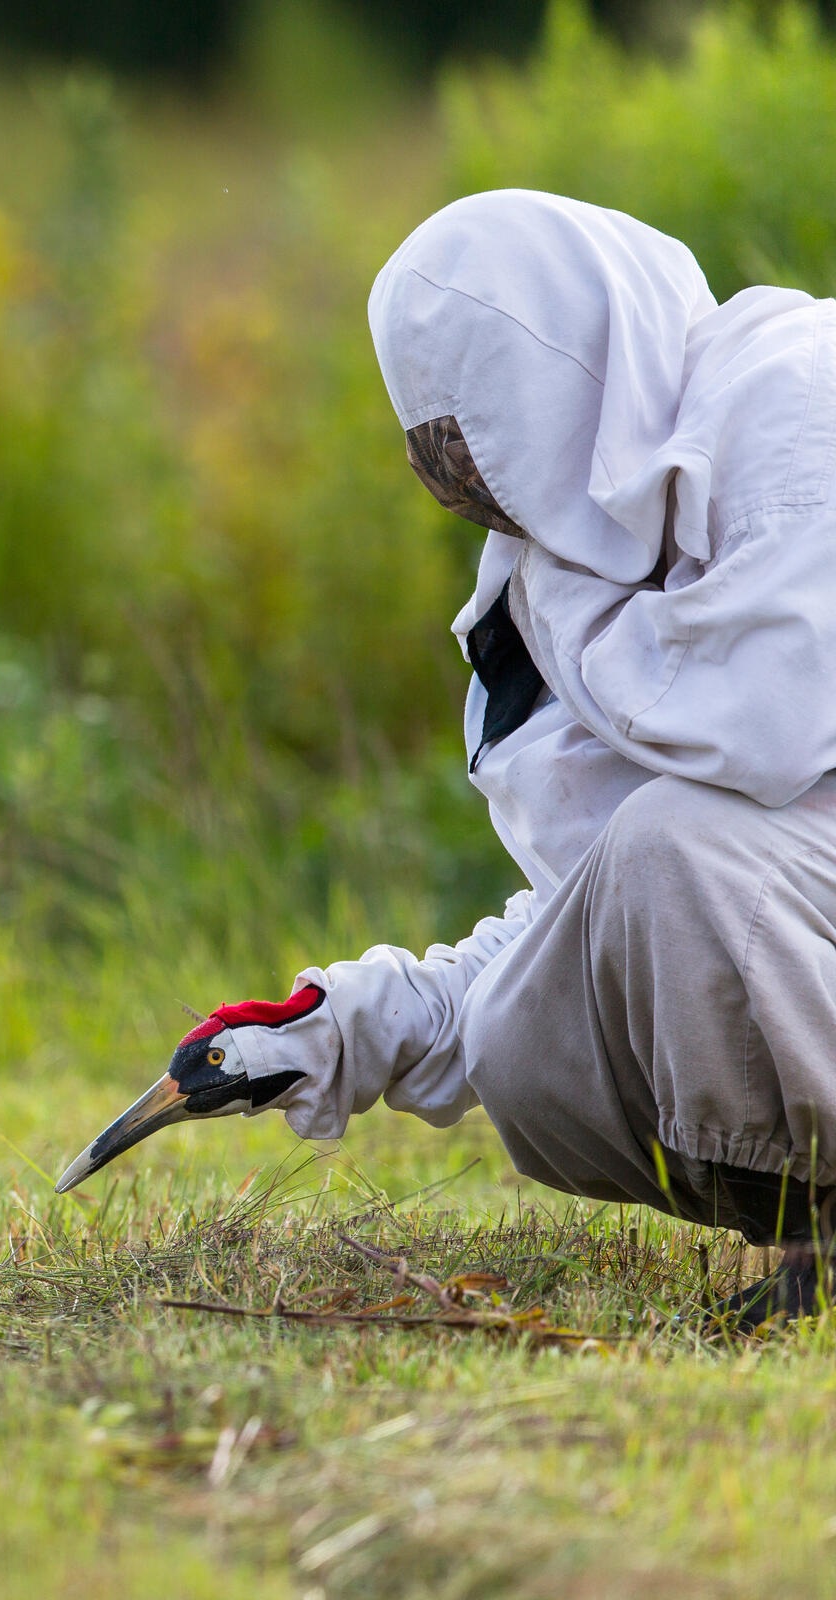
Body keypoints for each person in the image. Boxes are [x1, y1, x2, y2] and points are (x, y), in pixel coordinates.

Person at [68, 188, 836, 1328]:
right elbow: (599, 909)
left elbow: (759, 735)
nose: (482, 502)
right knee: (517, 1034)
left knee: (672, 845)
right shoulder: (576, 564)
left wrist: (562, 604)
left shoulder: (792, 398)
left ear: (572, 374)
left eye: (495, 452)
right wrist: (350, 1023)